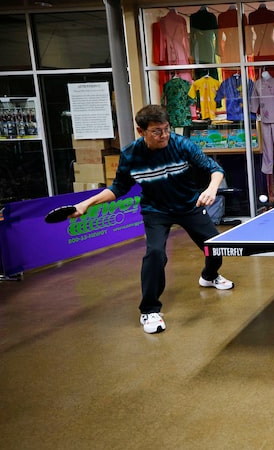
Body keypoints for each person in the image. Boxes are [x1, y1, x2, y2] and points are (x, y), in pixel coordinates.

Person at [70, 105, 234, 335]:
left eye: (166, 129)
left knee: (217, 247)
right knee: (155, 253)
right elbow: (118, 188)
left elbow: (214, 169)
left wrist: (212, 188)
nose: (164, 135)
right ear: (141, 131)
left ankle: (209, 276)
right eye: (157, 131)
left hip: (189, 205)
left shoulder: (181, 144)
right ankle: (149, 309)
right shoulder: (130, 155)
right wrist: (86, 203)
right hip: (155, 210)